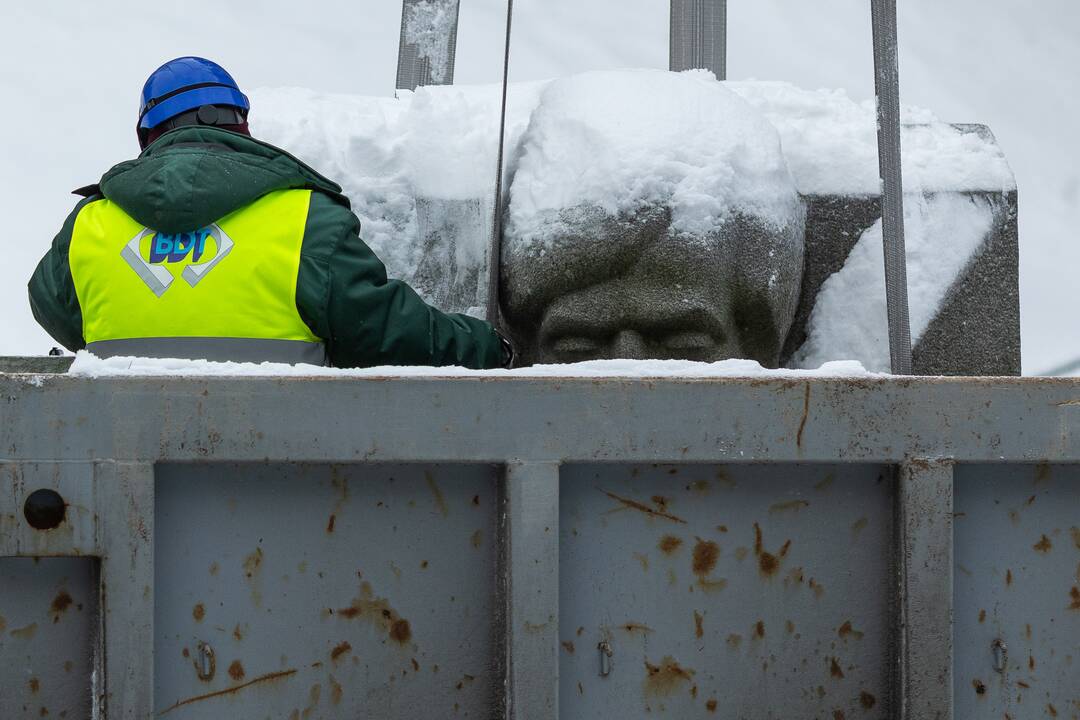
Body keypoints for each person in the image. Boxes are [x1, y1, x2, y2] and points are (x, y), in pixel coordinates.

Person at [28, 56, 512, 369]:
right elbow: (387, 332)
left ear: (147, 135)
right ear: (242, 123)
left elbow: (55, 309)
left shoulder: (90, 224)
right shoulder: (304, 217)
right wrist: (488, 346)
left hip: (123, 459)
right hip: (284, 476)